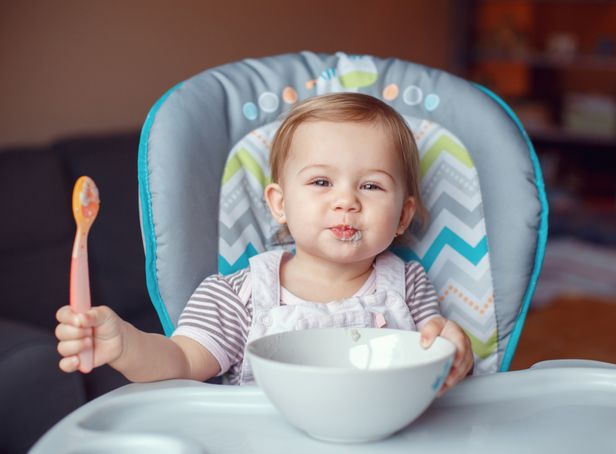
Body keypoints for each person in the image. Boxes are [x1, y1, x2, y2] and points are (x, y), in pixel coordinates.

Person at [55, 93, 473, 395]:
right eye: (321, 182)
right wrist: (125, 344)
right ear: (280, 204)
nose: (346, 200)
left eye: (371, 185)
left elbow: (436, 371)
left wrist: (453, 352)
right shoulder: (238, 295)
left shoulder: (408, 285)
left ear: (402, 215)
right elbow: (180, 362)